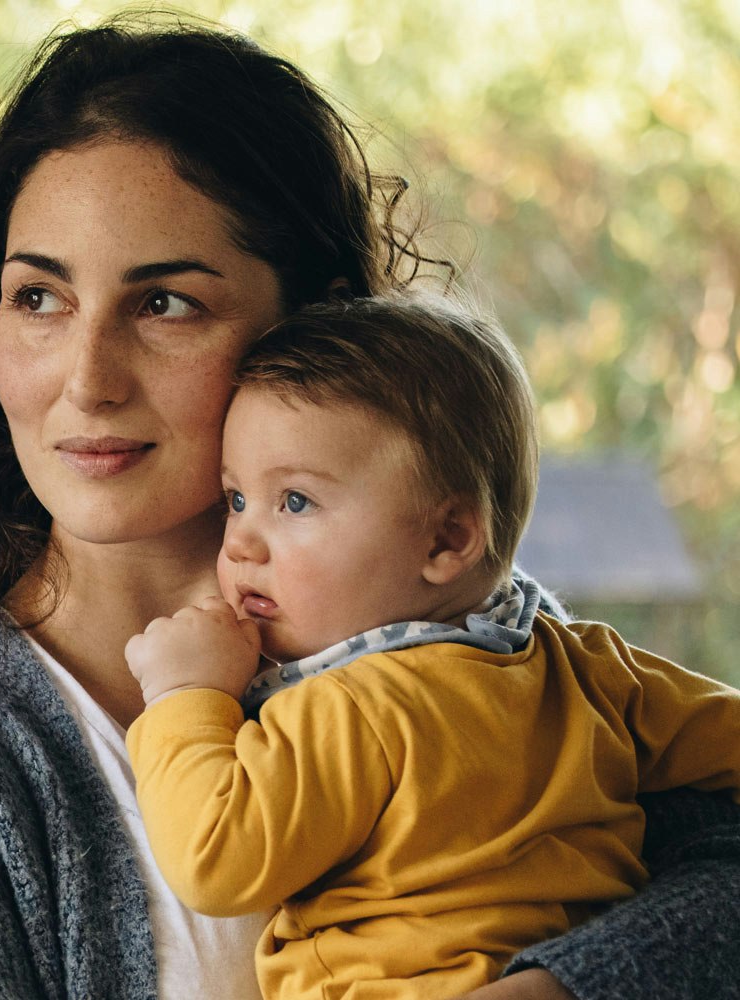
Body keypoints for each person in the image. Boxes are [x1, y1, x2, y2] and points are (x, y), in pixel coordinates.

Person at [0, 13, 740, 1000]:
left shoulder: (463, 633)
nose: (87, 378)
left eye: (165, 303)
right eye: (38, 297)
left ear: (308, 322)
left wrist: (555, 988)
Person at [124, 292, 740, 1000]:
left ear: (447, 540)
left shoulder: (351, 710)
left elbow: (215, 859)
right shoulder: (586, 664)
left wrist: (185, 694)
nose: (240, 541)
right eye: (236, 498)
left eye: (294, 501)